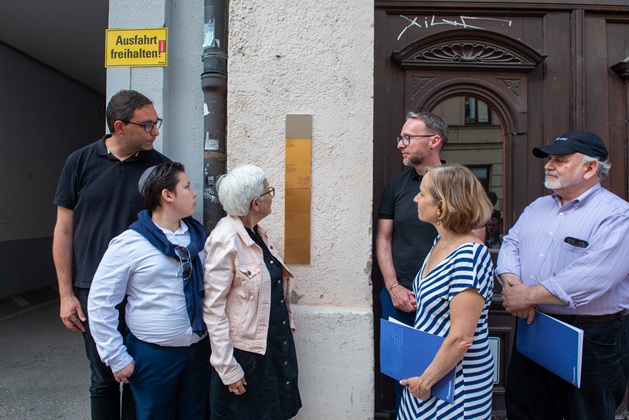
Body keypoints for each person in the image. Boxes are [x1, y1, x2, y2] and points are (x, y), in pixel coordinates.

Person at [52, 90, 170, 419]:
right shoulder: (79, 162)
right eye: (147, 125)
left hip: (142, 293)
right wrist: (66, 294)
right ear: (119, 126)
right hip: (93, 290)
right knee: (102, 380)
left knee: (137, 377)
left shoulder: (160, 169)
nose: (155, 132)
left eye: (155, 123)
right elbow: (63, 230)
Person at [497, 131, 629, 420]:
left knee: (584, 413)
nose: (548, 165)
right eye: (549, 159)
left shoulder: (617, 215)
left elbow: (594, 276)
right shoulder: (537, 207)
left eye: (560, 160)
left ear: (590, 168)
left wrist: (527, 296)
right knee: (526, 410)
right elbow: (511, 243)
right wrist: (513, 282)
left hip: (591, 336)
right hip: (534, 325)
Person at [88, 162, 211, 419]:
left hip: (199, 352)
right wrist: (116, 356)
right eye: (186, 187)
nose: (194, 192)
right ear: (167, 195)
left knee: (196, 415)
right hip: (154, 357)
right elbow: (100, 301)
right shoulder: (129, 244)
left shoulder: (202, 239)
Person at [202, 164, 302, 419]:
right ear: (255, 204)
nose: (272, 195)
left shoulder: (257, 234)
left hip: (272, 348)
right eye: (269, 190)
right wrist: (228, 368)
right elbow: (213, 309)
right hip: (246, 357)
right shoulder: (226, 239)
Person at [398, 164, 495, 419]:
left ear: (442, 206)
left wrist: (425, 381)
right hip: (428, 373)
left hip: (454, 385)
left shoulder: (469, 256)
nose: (415, 199)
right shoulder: (440, 242)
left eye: (422, 194)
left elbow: (461, 337)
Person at [375, 111, 448, 408]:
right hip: (398, 300)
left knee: (442, 379)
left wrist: (437, 295)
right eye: (400, 138)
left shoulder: (458, 183)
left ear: (433, 141)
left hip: (445, 302)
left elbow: (475, 238)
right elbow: (383, 238)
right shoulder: (396, 185)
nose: (400, 145)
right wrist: (393, 287)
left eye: (407, 138)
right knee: (401, 380)